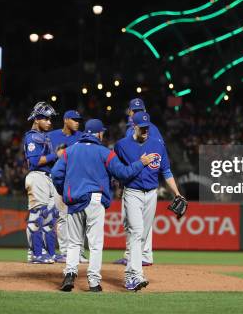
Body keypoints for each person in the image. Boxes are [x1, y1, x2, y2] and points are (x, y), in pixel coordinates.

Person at [51, 118, 156, 292]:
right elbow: (123, 173)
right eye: (102, 132)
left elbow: (55, 174)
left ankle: (69, 274)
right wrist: (141, 163)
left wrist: (65, 192)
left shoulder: (70, 151)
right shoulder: (104, 152)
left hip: (74, 200)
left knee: (74, 243)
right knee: (95, 244)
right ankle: (93, 282)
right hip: (94, 201)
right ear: (98, 133)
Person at [114, 111, 183, 291]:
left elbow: (166, 171)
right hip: (132, 193)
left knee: (143, 236)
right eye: (142, 127)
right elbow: (117, 171)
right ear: (134, 127)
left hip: (152, 194)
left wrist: (177, 193)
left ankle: (132, 274)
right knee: (136, 232)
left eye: (147, 127)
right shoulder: (122, 145)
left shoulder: (157, 144)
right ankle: (133, 276)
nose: (145, 130)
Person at [114, 98, 162, 266]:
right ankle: (142, 255)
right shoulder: (140, 129)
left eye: (139, 110)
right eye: (134, 111)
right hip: (138, 180)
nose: (136, 113)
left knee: (133, 223)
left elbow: (157, 156)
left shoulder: (147, 129)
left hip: (138, 182)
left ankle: (136, 256)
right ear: (130, 112)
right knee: (140, 224)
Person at [23, 101, 63, 264]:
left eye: (49, 119)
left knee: (50, 217)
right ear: (37, 119)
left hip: (47, 178)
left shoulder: (44, 137)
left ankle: (50, 253)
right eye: (46, 119)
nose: (49, 122)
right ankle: (35, 253)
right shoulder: (32, 137)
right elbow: (34, 161)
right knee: (37, 216)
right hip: (37, 176)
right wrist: (56, 155)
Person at [47, 109, 86, 263]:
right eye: (74, 120)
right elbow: (46, 158)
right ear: (66, 120)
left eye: (78, 120)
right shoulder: (51, 136)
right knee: (62, 217)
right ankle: (64, 252)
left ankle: (80, 252)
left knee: (80, 217)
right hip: (60, 180)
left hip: (78, 180)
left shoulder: (82, 136)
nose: (77, 122)